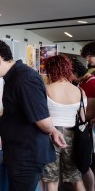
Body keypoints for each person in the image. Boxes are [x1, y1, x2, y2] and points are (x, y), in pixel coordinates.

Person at [0, 39, 66, 191]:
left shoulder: (24, 79)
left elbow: (42, 121)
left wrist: (52, 129)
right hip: (21, 152)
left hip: (26, 155)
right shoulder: (15, 77)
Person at [41, 55, 86, 191]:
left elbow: (41, 115)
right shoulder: (79, 91)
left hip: (49, 135)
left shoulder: (46, 89)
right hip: (73, 135)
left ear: (51, 70)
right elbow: (83, 119)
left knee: (51, 180)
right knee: (76, 178)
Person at [72, 57, 95, 191]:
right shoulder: (81, 83)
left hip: (88, 128)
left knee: (86, 164)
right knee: (83, 163)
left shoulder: (91, 82)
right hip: (83, 126)